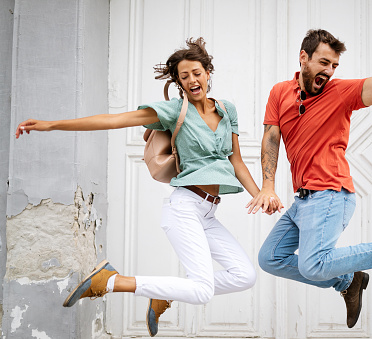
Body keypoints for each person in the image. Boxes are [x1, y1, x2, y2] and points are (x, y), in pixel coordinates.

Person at [16, 38, 278, 337]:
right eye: (184, 76)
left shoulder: (226, 109)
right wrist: (51, 125)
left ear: (208, 72)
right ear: (179, 82)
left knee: (244, 276)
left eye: (196, 72)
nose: (192, 80)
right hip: (185, 207)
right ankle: (111, 281)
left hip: (208, 211)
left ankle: (164, 293)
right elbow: (114, 120)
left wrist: (260, 193)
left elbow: (237, 161)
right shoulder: (171, 111)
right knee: (203, 290)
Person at [246, 0, 372, 329]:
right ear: (303, 58)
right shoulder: (280, 92)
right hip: (302, 201)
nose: (329, 71)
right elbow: (271, 138)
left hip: (331, 194)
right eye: (323, 62)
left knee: (314, 265)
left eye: (333, 65)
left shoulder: (341, 93)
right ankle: (348, 281)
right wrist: (268, 185)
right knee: (270, 259)